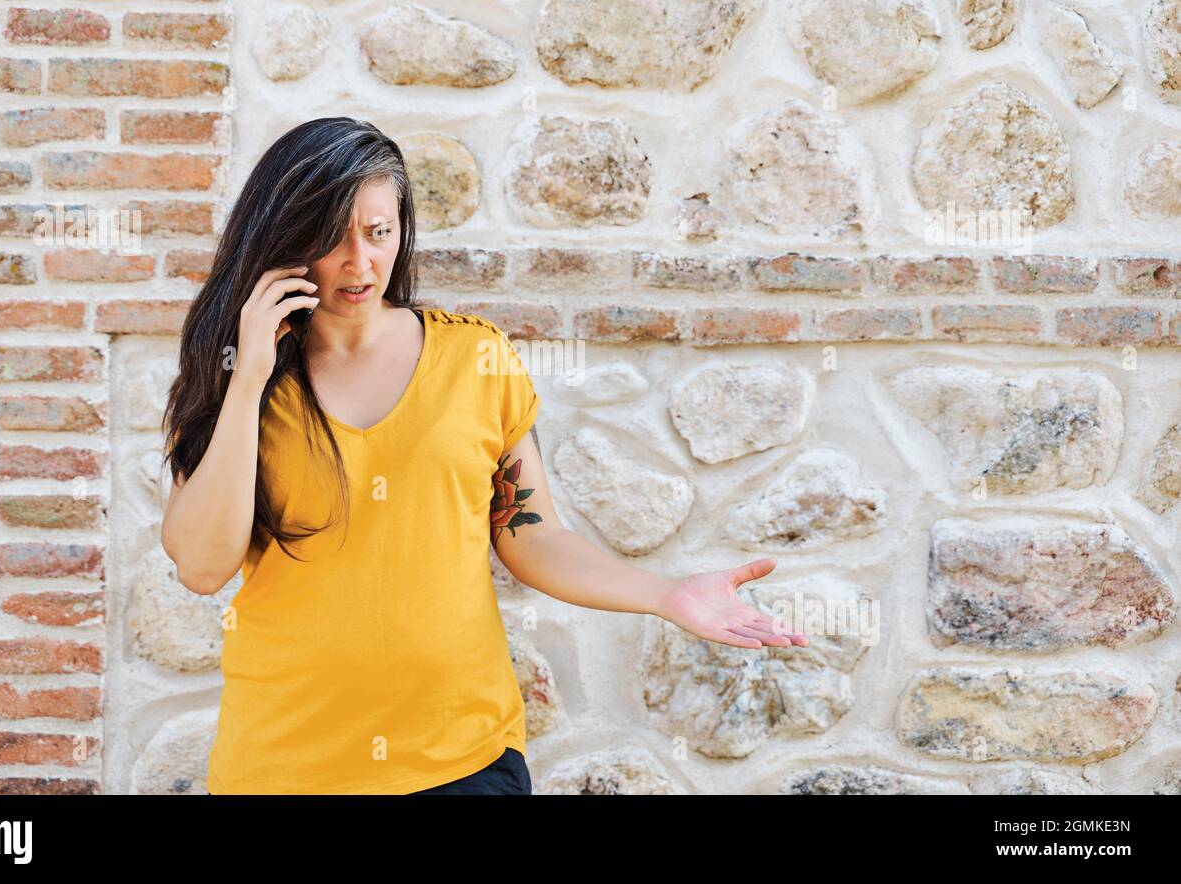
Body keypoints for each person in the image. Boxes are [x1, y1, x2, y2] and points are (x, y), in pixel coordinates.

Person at [159, 116, 809, 796]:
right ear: (287, 241)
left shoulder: (475, 360)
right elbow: (203, 566)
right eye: (332, 239)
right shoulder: (234, 377)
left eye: (379, 233)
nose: (360, 263)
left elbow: (533, 538)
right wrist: (248, 378)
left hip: (462, 763)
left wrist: (665, 594)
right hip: (284, 768)